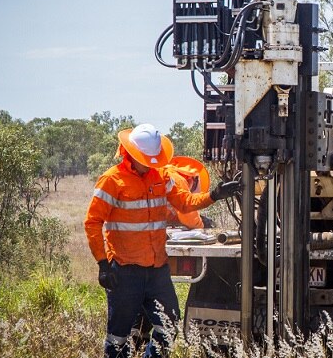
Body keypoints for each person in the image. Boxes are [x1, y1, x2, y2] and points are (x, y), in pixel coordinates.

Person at [84, 124, 240, 358]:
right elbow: (92, 222)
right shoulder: (111, 180)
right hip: (125, 271)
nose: (152, 163)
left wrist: (213, 195)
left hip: (157, 270)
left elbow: (184, 202)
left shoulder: (161, 176)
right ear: (132, 154)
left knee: (169, 324)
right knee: (119, 337)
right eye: (148, 158)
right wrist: (103, 264)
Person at [163, 156, 212, 229]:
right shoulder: (178, 180)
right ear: (192, 179)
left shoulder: (167, 175)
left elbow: (171, 215)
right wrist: (202, 225)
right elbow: (190, 219)